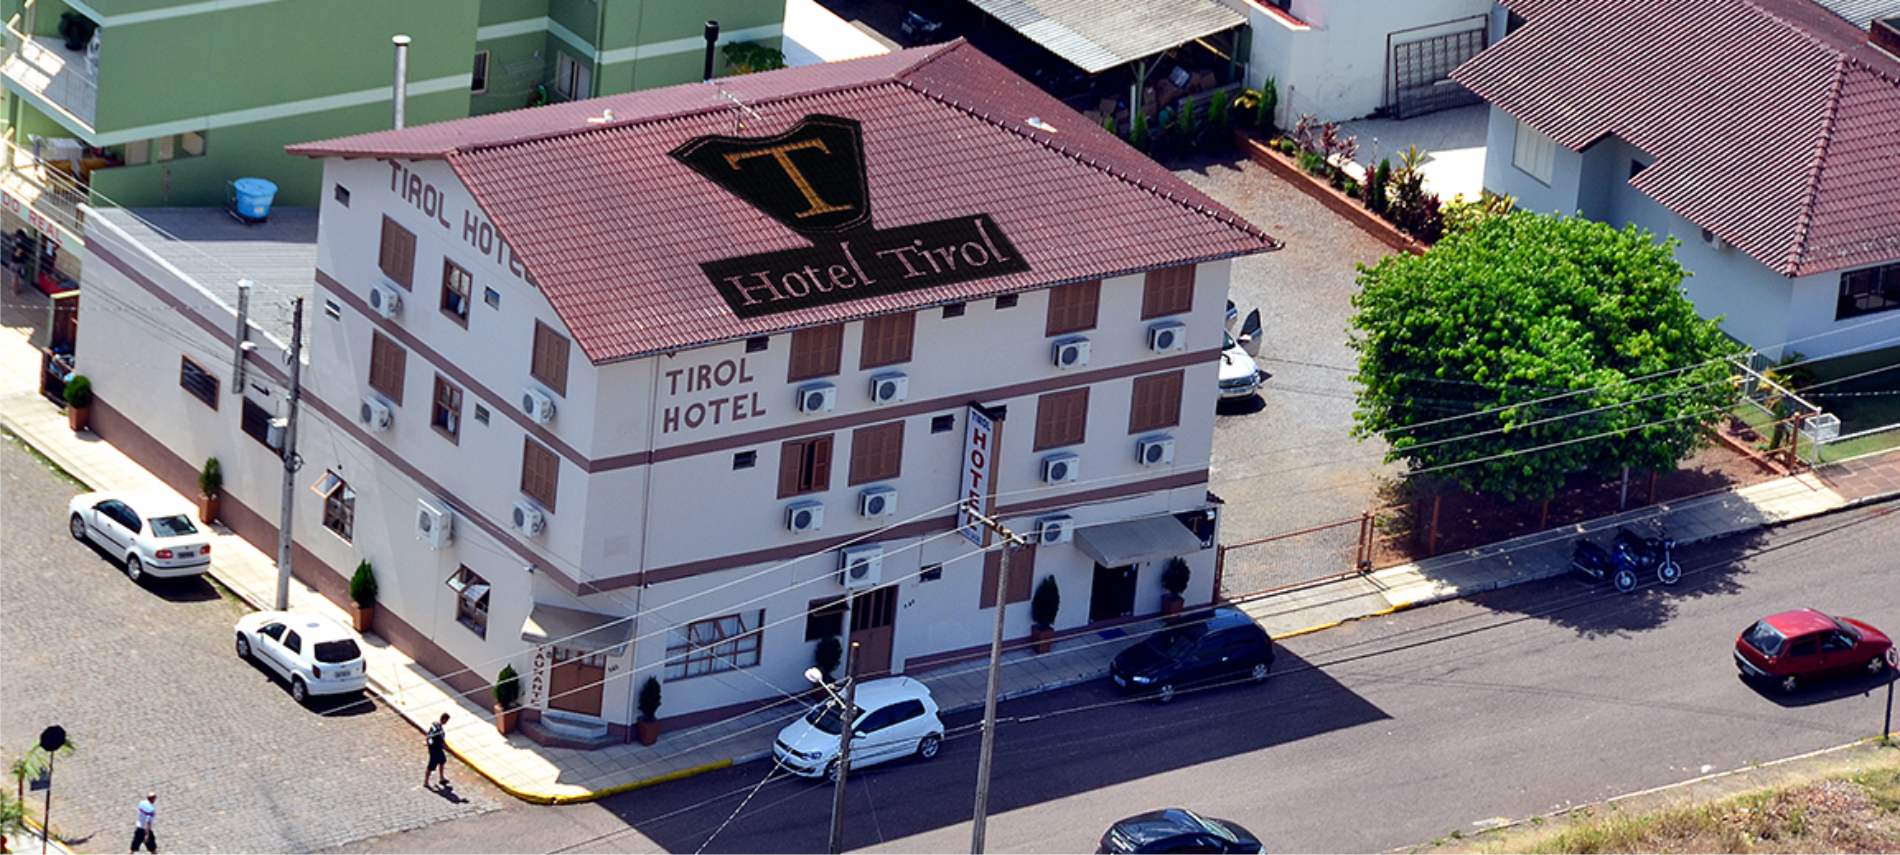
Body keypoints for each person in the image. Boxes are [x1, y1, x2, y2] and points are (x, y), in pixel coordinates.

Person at [425, 713, 451, 788]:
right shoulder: (439, 731)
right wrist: (451, 751)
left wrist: (427, 741)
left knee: (442, 761)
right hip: (435, 749)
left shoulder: (434, 725)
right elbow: (443, 743)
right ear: (444, 720)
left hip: (434, 748)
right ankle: (426, 782)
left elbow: (428, 734)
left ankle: (441, 778)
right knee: (431, 765)